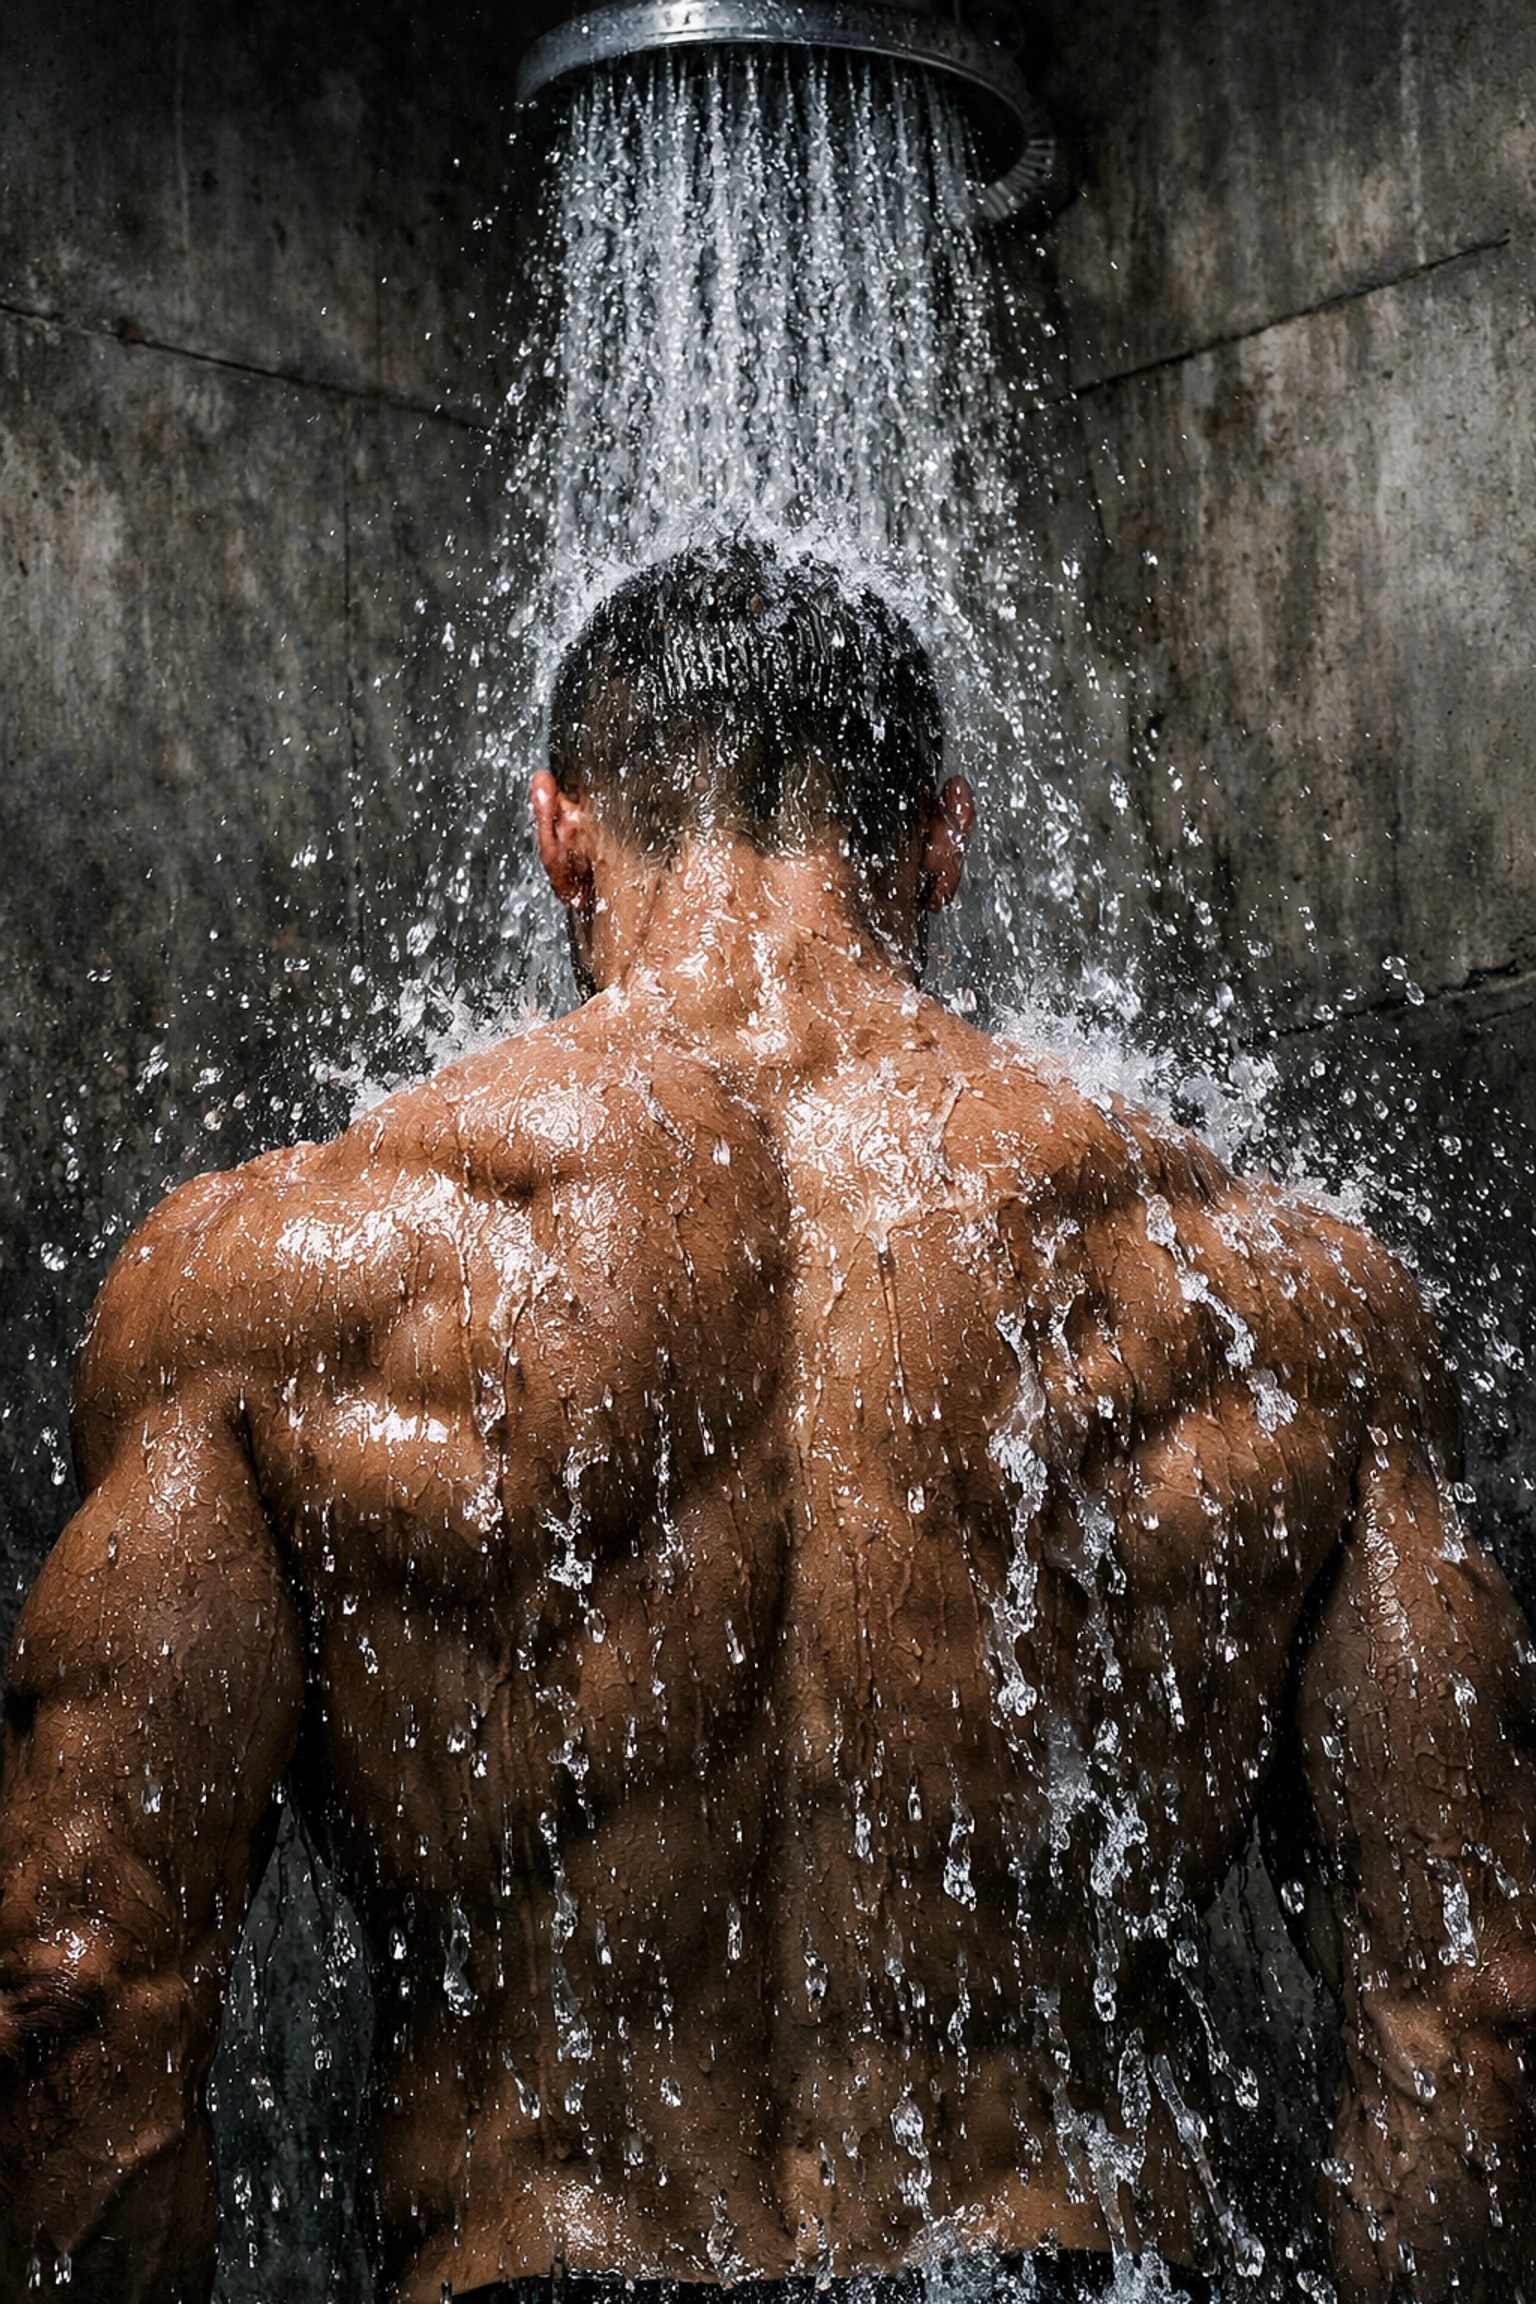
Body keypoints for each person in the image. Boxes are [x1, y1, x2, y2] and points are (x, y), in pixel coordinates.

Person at [1, 543, 1533, 2304]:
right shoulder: (1271, 1295)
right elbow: (1476, 1999)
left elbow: (81, 1989)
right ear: (942, 841)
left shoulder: (269, 1279)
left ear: (558, 836)